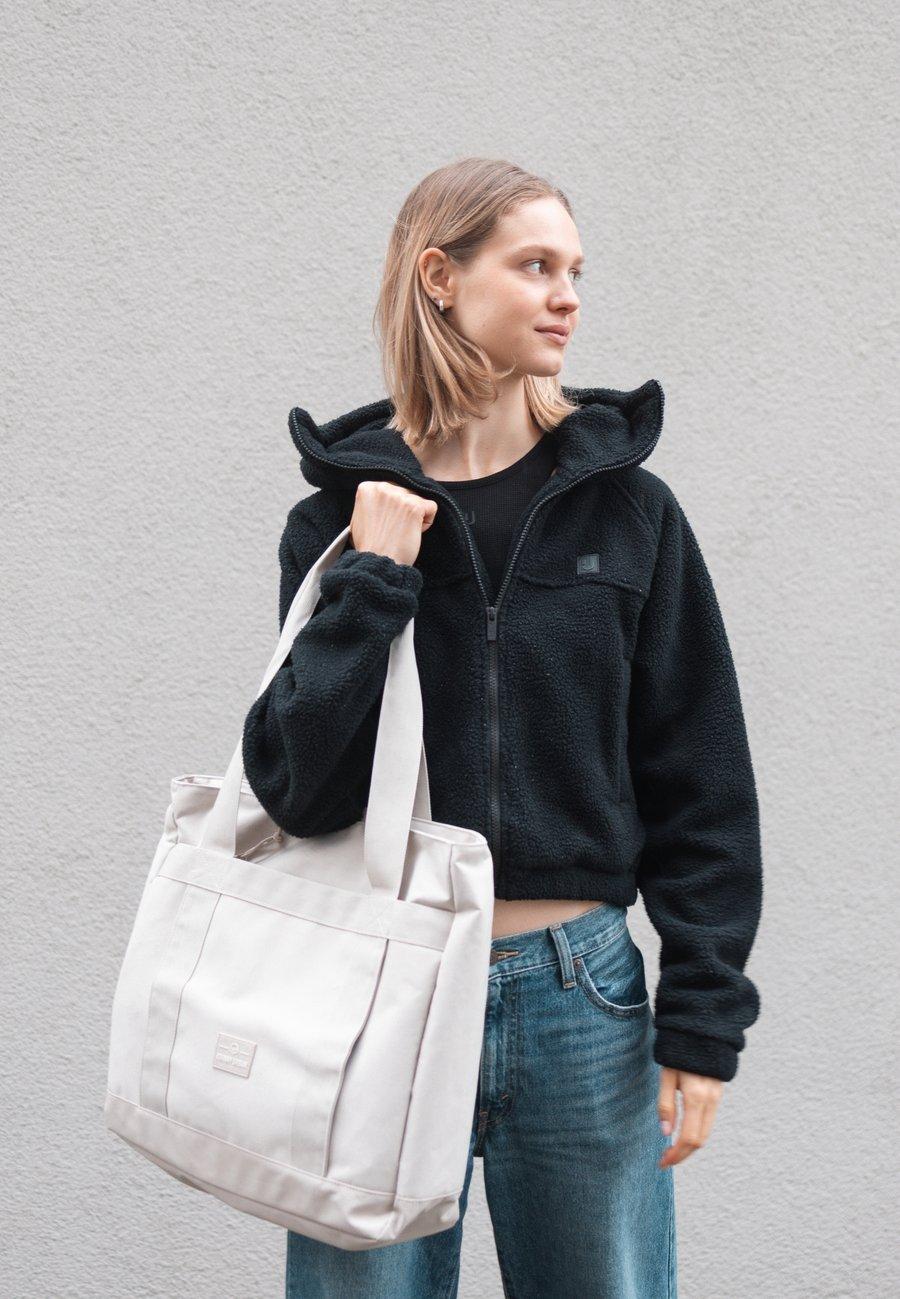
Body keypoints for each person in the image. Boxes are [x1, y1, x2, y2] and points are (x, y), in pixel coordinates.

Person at [242, 156, 763, 1298]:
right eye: (535, 266)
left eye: (575, 270)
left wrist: (703, 1017)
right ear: (440, 276)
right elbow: (295, 788)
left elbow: (702, 775)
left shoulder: (630, 512)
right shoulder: (336, 521)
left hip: (582, 997)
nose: (567, 296)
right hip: (381, 994)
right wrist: (374, 581)